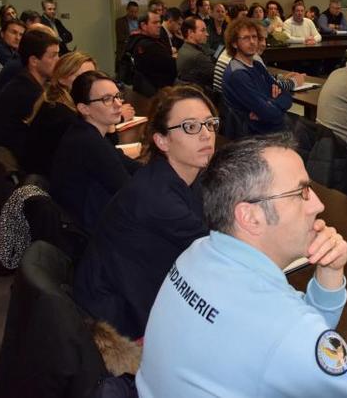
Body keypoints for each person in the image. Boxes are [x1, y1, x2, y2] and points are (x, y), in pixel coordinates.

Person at [136, 134, 347, 398]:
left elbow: (298, 335)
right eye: (301, 193)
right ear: (250, 216)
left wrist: (329, 272)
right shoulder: (285, 329)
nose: (318, 205)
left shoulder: (199, 252)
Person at [74, 85, 218, 339]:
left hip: (133, 289)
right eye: (190, 126)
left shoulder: (173, 175)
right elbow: (218, 253)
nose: (206, 134)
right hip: (118, 320)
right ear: (161, 140)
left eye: (209, 123)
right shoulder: (158, 197)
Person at [51, 71, 141, 232]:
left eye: (118, 96)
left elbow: (126, 163)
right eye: (107, 99)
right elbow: (128, 190)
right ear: (84, 108)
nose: (118, 104)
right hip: (89, 236)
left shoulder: (87, 133)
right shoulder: (87, 141)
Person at [23, 52, 119, 177]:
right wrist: (110, 126)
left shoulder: (55, 102)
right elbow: (104, 152)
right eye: (83, 77)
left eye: (93, 77)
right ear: (62, 78)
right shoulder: (62, 115)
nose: (91, 83)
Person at [0, 29, 60, 167]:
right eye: (53, 56)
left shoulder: (29, 83)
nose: (58, 60)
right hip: (14, 164)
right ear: (34, 61)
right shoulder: (26, 91)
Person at [223, 17, 292, 134]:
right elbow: (269, 114)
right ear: (234, 43)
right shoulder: (237, 74)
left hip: (272, 124)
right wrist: (270, 104)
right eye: (245, 38)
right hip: (257, 133)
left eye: (254, 37)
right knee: (321, 138)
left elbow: (287, 97)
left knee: (322, 134)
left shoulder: (256, 64)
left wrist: (270, 103)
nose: (252, 42)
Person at [125, 11, 177, 95]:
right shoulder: (149, 45)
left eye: (159, 22)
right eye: (155, 22)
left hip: (146, 88)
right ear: (143, 26)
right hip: (158, 92)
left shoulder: (136, 40)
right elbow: (173, 67)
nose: (159, 25)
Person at [176, 17, 214, 93]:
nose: (207, 34)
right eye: (203, 30)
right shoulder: (198, 56)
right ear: (190, 33)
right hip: (200, 95)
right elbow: (217, 76)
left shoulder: (184, 48)